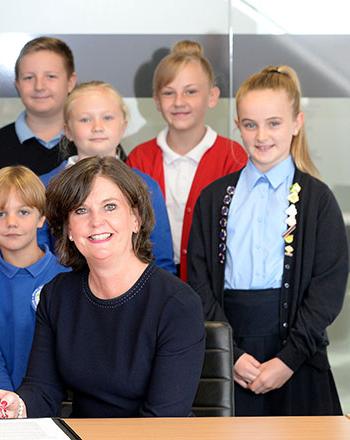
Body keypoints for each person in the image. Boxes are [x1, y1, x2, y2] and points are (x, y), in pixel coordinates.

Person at [0, 156, 205, 419]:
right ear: (68, 230)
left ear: (136, 219)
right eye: (81, 210)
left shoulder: (177, 304)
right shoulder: (56, 295)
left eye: (110, 207)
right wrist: (17, 406)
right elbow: (42, 389)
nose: (96, 222)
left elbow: (163, 419)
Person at [187, 66, 348, 416]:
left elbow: (328, 289)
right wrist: (229, 353)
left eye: (274, 123)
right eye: (250, 124)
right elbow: (197, 283)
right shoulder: (214, 198)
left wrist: (287, 360)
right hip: (230, 358)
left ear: (297, 123)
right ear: (238, 124)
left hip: (297, 359)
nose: (261, 135)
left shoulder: (318, 200)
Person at [127, 40, 246, 279]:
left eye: (191, 91)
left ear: (212, 97)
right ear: (157, 101)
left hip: (216, 282)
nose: (179, 101)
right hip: (152, 280)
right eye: (169, 93)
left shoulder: (233, 156)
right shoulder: (139, 158)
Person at [40, 81, 175, 274]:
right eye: (85, 120)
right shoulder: (43, 186)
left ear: (124, 126)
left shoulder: (145, 186)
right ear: (67, 130)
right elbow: (37, 259)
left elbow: (160, 260)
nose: (97, 127)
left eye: (108, 117)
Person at [0, 166, 68, 399]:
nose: (11, 222)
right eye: (0, 214)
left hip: (57, 404)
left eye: (23, 212)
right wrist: (6, 402)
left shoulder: (67, 277)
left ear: (42, 217)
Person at [0, 36, 77, 177]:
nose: (39, 86)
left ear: (70, 82)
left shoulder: (94, 141)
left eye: (50, 76)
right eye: (29, 78)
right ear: (17, 84)